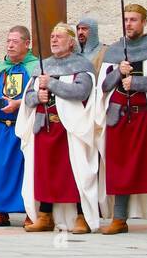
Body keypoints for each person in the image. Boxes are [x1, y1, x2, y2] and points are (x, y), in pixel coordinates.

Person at [98, 4, 147, 236]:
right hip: (119, 115)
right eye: (126, 19)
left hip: (145, 114)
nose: (129, 24)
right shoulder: (114, 51)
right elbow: (103, 85)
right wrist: (117, 72)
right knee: (119, 166)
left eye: (134, 19)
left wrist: (137, 83)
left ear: (144, 22)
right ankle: (119, 218)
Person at [18, 24, 100, 235]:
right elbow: (27, 98)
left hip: (70, 129)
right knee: (44, 172)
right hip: (44, 126)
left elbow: (82, 92)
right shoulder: (42, 66)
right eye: (52, 36)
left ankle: (82, 216)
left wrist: (52, 85)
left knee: (75, 172)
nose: (54, 40)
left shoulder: (82, 65)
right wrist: (38, 97)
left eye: (59, 37)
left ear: (71, 42)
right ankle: (45, 215)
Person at [0, 26, 34, 227]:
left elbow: (36, 94)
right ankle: (0, 212)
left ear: (27, 44)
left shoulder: (34, 67)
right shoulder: (2, 67)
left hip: (23, 126)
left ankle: (30, 212)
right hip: (0, 127)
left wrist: (18, 104)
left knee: (23, 170)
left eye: (15, 41)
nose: (10, 45)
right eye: (8, 41)